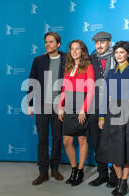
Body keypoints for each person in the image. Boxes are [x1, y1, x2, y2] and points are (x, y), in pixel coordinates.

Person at [97, 41, 129, 196]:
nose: (118, 55)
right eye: (116, 52)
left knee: (126, 149)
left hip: (127, 112)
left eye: (122, 52)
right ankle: (118, 179)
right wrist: (102, 116)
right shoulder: (111, 73)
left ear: (128, 54)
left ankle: (124, 182)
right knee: (113, 150)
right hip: (112, 113)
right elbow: (105, 96)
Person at [27, 32, 66, 185]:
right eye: (46, 42)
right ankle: (43, 172)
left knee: (57, 138)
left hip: (60, 106)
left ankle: (54, 168)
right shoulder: (38, 60)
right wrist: (30, 104)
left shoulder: (66, 59)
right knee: (42, 139)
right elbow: (32, 81)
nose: (47, 44)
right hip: (42, 105)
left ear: (58, 44)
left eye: (51, 42)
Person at [58, 40, 95, 186]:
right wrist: (60, 106)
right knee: (67, 140)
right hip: (69, 105)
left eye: (77, 49)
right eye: (72, 49)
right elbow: (65, 88)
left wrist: (83, 109)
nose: (74, 51)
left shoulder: (88, 66)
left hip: (82, 103)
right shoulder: (68, 66)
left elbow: (91, 89)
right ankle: (73, 168)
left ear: (82, 51)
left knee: (81, 139)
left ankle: (80, 171)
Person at [88, 31, 118, 188]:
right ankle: (102, 174)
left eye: (102, 42)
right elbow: (73, 59)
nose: (98, 45)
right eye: (96, 42)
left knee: (113, 141)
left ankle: (115, 175)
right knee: (97, 142)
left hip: (113, 107)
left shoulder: (118, 57)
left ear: (109, 42)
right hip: (94, 107)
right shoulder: (91, 59)